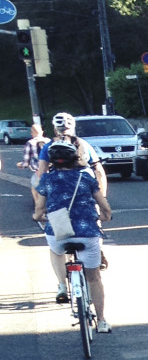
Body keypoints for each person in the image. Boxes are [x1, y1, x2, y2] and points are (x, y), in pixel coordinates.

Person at [33, 138, 113, 331]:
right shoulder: (86, 178)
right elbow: (104, 206)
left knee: (56, 250)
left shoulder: (47, 179)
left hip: (58, 232)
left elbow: (39, 208)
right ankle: (101, 321)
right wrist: (105, 216)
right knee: (94, 277)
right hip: (87, 233)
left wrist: (39, 216)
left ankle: (61, 284)